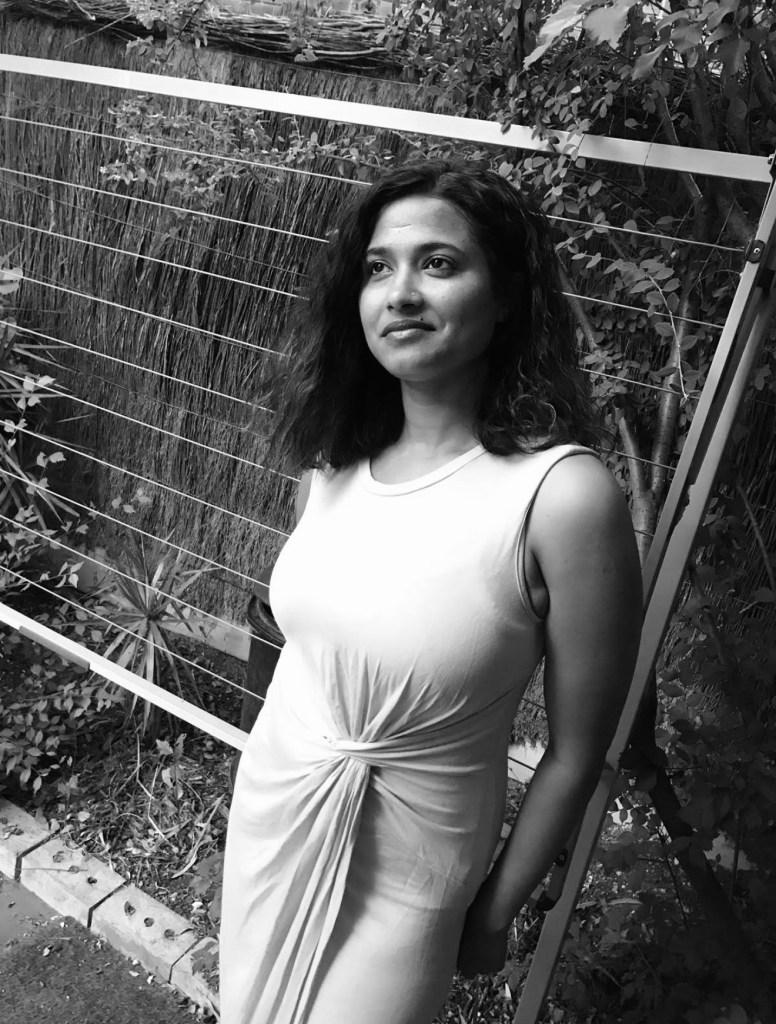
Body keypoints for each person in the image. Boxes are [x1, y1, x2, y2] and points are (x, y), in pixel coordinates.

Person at [219, 160, 642, 1024]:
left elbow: (578, 751)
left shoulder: (562, 497)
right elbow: (310, 658)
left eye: (439, 264)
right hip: (271, 818)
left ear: (507, 295)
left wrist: (495, 910)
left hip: (412, 876)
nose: (401, 292)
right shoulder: (332, 466)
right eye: (378, 268)